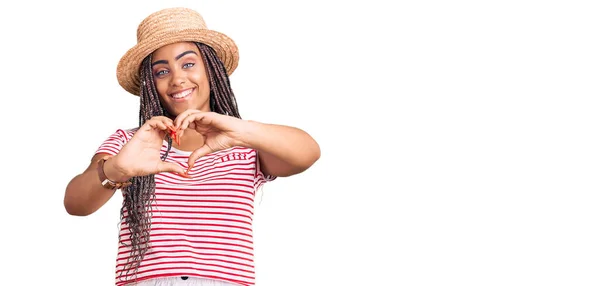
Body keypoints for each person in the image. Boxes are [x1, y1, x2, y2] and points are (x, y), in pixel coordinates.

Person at [63, 7, 320, 286]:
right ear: (151, 84)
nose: (177, 79)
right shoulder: (131, 144)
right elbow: (75, 203)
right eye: (161, 71)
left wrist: (240, 129)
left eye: (188, 64)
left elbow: (307, 153)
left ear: (211, 68)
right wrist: (117, 169)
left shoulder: (244, 143)